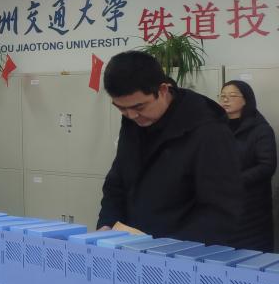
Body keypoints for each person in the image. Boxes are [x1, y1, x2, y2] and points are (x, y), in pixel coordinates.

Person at [97, 51, 242, 245]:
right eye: (121, 108)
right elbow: (117, 182)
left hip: (182, 253)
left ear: (163, 90)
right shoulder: (134, 121)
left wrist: (166, 248)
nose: (131, 115)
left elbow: (221, 212)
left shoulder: (208, 131)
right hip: (135, 248)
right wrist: (107, 224)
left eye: (139, 107)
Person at [219, 80, 276, 252]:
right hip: (222, 204)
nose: (226, 100)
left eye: (232, 96)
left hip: (251, 206)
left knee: (250, 256)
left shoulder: (260, 129)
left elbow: (267, 166)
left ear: (246, 99)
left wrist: (234, 181)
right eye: (222, 96)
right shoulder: (217, 126)